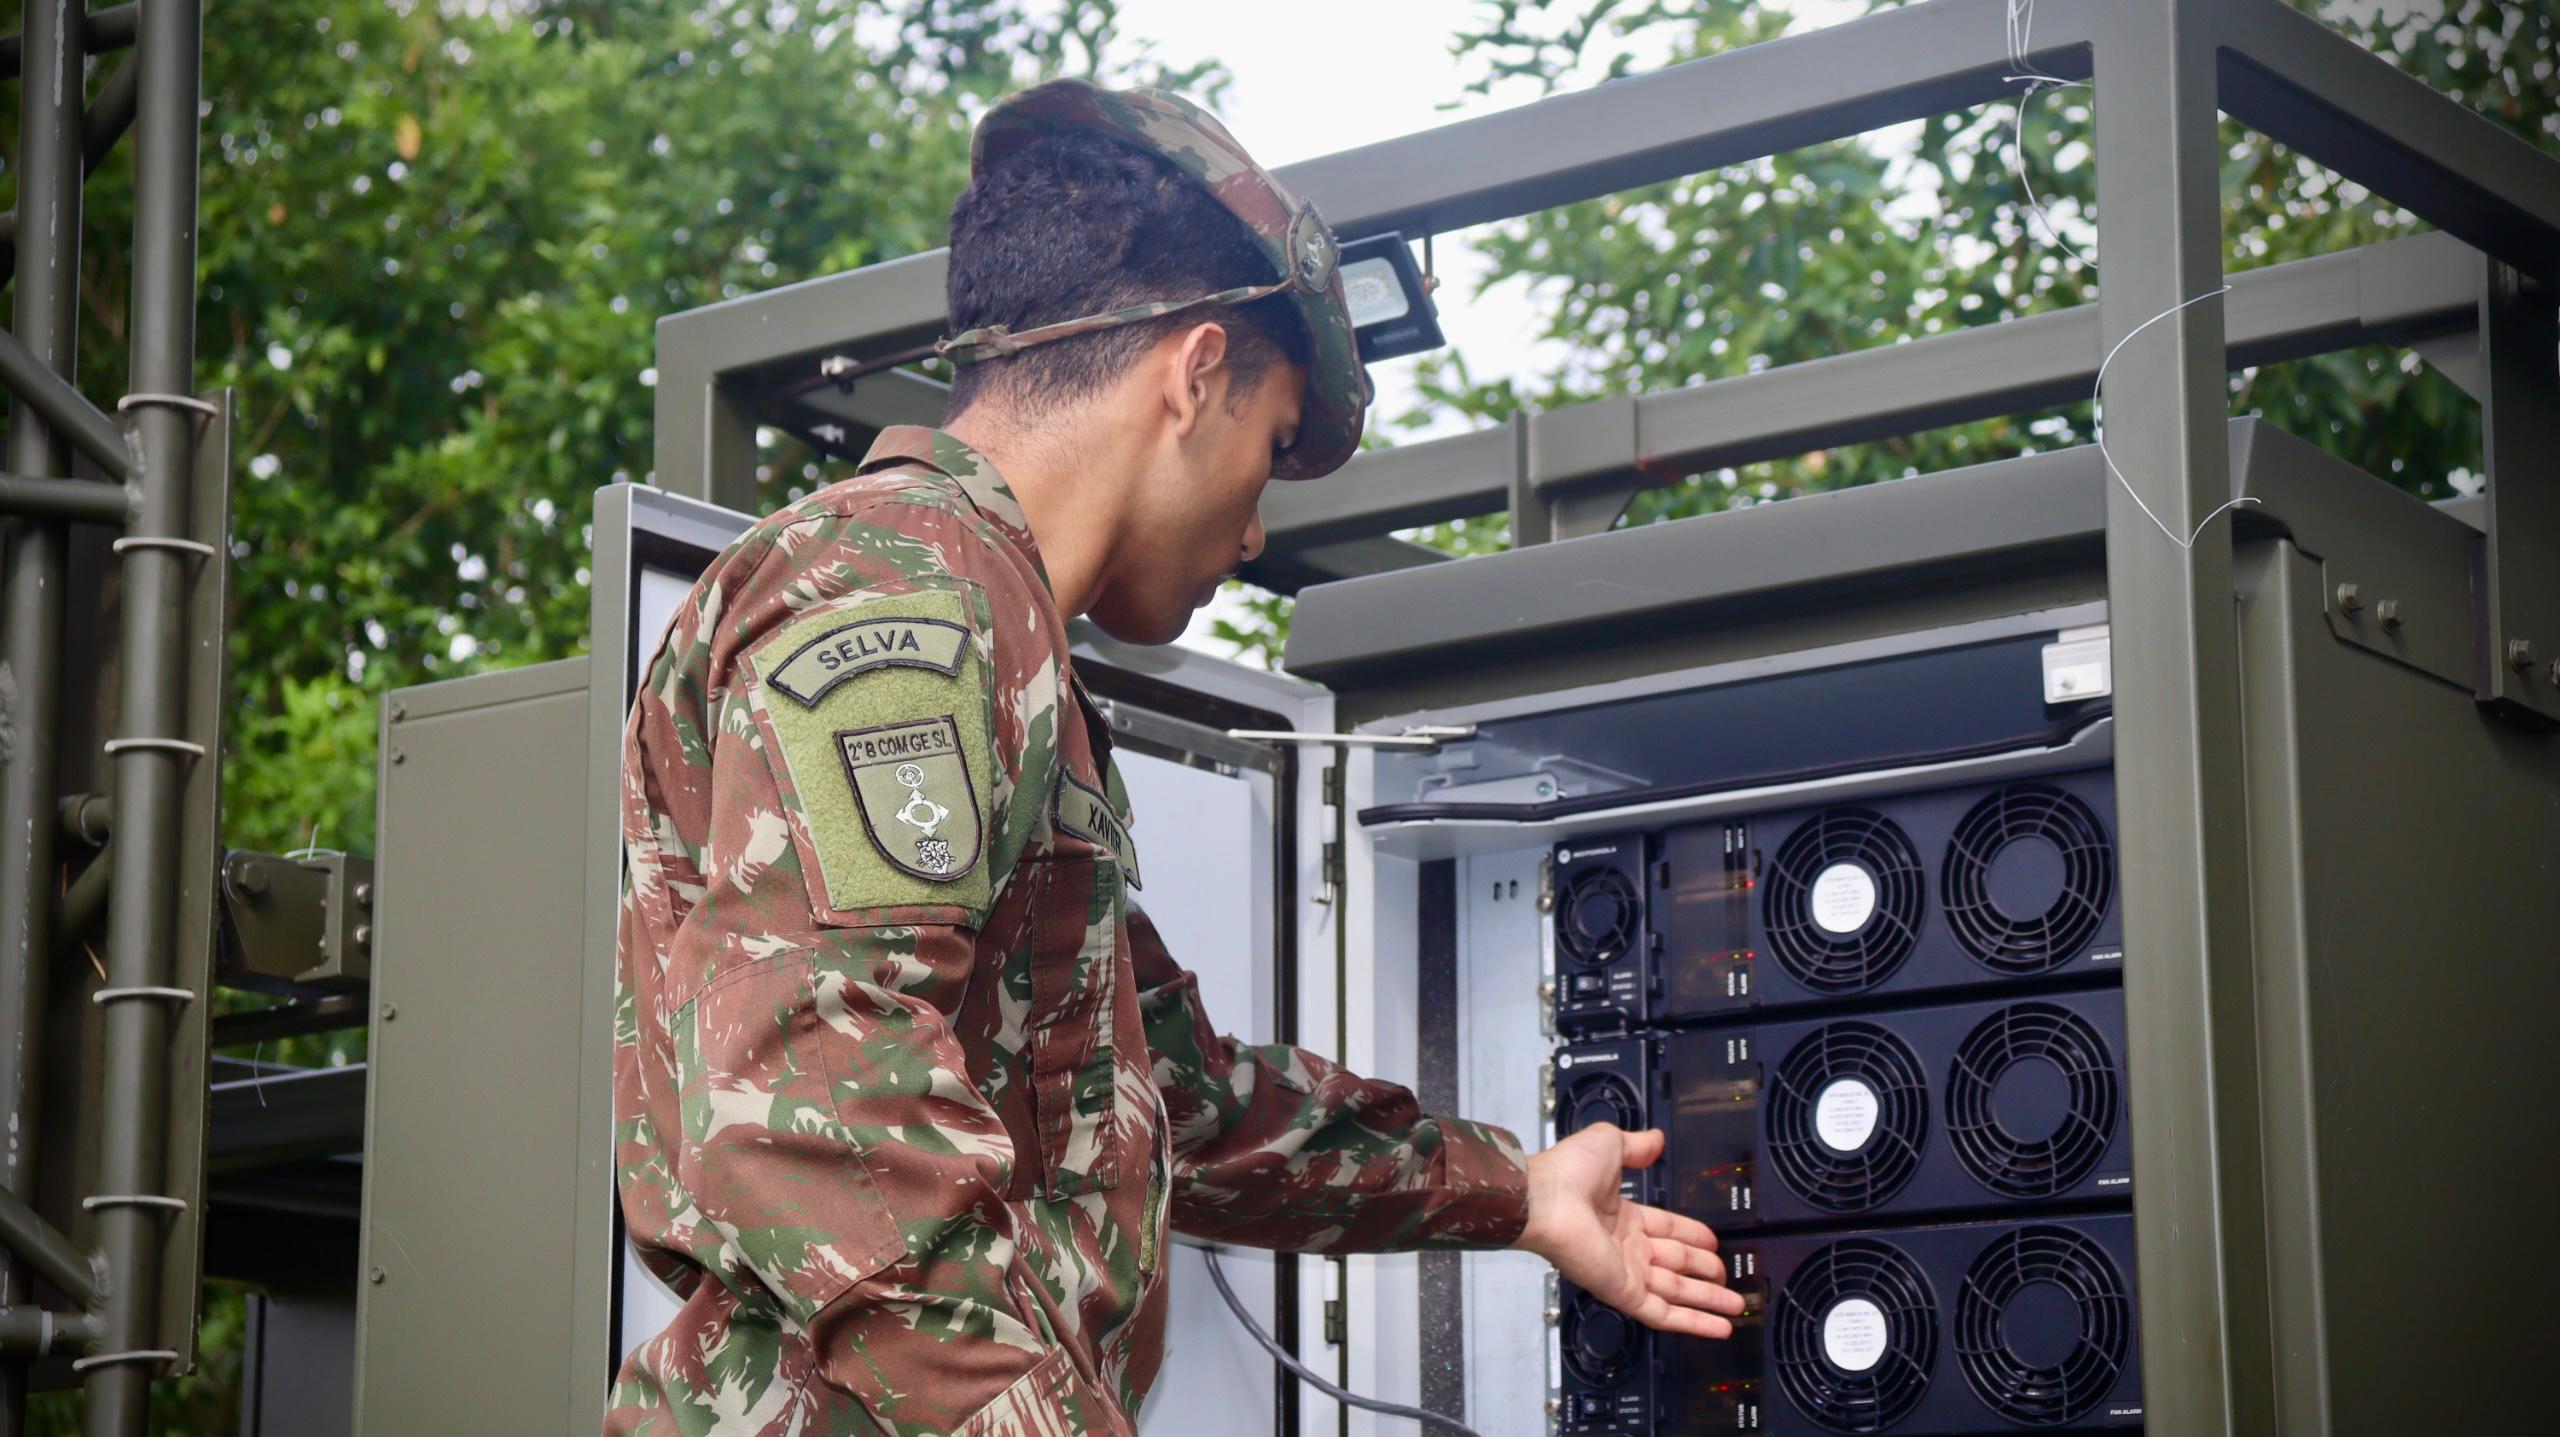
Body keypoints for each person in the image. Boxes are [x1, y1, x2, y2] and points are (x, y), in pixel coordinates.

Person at [606, 77, 1743, 1435]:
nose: (1256, 530)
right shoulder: (896, 593)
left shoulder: (993, 630)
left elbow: (1171, 1102)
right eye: (1270, 448)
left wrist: (1520, 1192)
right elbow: (820, 1094)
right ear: (1195, 372)